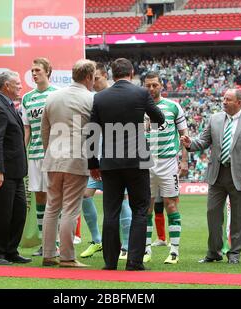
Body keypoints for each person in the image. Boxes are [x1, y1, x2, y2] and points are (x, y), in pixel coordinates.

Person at [88, 58, 165, 271]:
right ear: (131, 73)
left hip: (110, 161)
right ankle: (134, 261)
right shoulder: (141, 93)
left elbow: (92, 132)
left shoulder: (100, 97)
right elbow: (159, 118)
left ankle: (110, 262)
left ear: (112, 74)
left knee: (111, 211)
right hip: (137, 159)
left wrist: (92, 163)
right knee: (140, 209)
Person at [181, 88, 241, 264]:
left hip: (240, 177)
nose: (224, 102)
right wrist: (190, 144)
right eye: (223, 98)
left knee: (239, 217)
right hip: (217, 174)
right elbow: (203, 141)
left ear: (239, 103)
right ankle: (214, 252)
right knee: (213, 214)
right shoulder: (215, 119)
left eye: (228, 99)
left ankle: (234, 254)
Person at [40, 59, 96, 268]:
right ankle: (67, 257)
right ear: (89, 77)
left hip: (53, 157)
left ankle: (48, 254)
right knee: (71, 209)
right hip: (76, 159)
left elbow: (44, 130)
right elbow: (94, 132)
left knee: (52, 207)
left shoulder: (52, 97)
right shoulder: (91, 98)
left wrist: (49, 151)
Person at [79, 62, 133, 260]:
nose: (93, 82)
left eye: (97, 78)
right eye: (92, 78)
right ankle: (97, 241)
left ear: (105, 77)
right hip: (95, 160)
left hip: (114, 160)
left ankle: (126, 246)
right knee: (85, 195)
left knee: (122, 200)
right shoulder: (90, 99)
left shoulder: (115, 97)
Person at [0, 71, 31, 265]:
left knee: (18, 213)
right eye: (17, 84)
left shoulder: (8, 105)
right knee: (2, 214)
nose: (20, 86)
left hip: (15, 172)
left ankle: (11, 250)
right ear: (6, 87)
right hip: (2, 172)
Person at [143, 72, 189, 264]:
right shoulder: (139, 107)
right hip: (146, 163)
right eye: (148, 86)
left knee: (171, 204)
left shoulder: (173, 107)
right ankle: (145, 250)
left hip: (168, 162)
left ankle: (175, 251)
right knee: (146, 207)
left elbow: (184, 135)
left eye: (155, 85)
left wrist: (184, 161)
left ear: (161, 85)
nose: (152, 89)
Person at [21, 58, 57, 257]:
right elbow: (27, 129)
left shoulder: (57, 94)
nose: (34, 74)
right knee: (40, 197)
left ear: (47, 71)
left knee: (54, 197)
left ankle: (56, 241)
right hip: (34, 155)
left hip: (54, 155)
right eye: (32, 70)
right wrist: (21, 151)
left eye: (37, 70)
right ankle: (45, 242)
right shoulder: (27, 98)